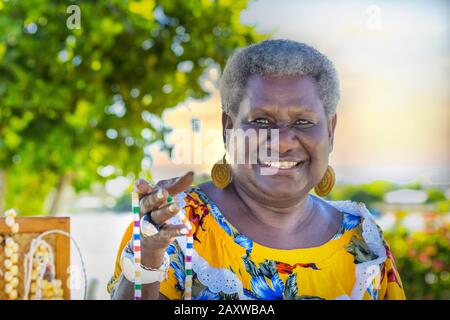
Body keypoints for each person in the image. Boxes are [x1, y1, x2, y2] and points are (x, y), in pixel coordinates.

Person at [108, 39, 406, 300]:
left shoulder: (363, 238)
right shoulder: (174, 226)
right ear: (228, 129)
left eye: (303, 122)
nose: (282, 142)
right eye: (261, 121)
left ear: (330, 130)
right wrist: (148, 258)